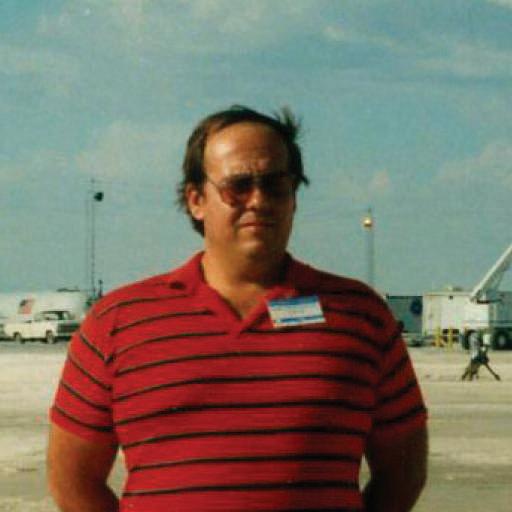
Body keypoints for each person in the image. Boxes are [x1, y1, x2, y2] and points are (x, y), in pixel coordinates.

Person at [47, 105, 428, 512]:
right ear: (196, 200)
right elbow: (72, 479)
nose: (259, 200)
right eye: (238, 186)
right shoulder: (118, 322)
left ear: (294, 197)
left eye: (276, 185)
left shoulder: (360, 317)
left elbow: (403, 471)